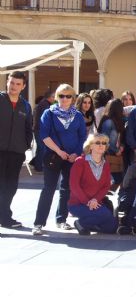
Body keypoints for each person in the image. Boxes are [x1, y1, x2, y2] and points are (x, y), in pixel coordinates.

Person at [33, 84, 87, 235]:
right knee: (48, 189)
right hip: (53, 156)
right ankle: (38, 223)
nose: (64, 99)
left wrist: (76, 153)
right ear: (56, 97)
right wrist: (59, 151)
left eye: (68, 96)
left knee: (66, 189)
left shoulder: (77, 116)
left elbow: (82, 136)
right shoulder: (48, 113)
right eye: (61, 96)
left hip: (71, 158)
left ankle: (61, 220)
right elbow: (44, 135)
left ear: (73, 98)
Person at [0, 71, 32, 228]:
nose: (14, 87)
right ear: (7, 82)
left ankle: (5, 217)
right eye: (12, 83)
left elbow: (28, 128)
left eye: (18, 84)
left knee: (11, 186)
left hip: (16, 152)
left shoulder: (25, 106)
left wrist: (25, 145)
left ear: (23, 86)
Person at [68, 134, 118, 235]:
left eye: (104, 143)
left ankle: (84, 225)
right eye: (97, 143)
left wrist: (95, 200)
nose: (101, 145)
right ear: (90, 146)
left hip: (96, 203)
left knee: (112, 228)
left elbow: (106, 186)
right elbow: (74, 186)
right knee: (105, 215)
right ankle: (81, 223)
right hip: (78, 204)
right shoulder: (80, 162)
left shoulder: (106, 165)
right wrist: (88, 202)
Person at [97, 98, 126, 189]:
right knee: (116, 180)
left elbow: (119, 138)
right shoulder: (109, 122)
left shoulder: (116, 122)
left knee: (118, 179)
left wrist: (121, 146)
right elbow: (105, 140)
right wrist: (116, 150)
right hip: (108, 154)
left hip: (114, 154)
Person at [30, 90, 54, 172]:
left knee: (41, 148)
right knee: (42, 149)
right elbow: (45, 119)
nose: (54, 99)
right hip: (40, 130)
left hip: (39, 129)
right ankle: (38, 166)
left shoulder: (44, 103)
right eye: (53, 97)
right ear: (49, 97)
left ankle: (36, 164)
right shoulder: (45, 104)